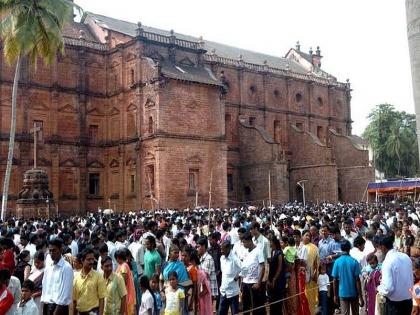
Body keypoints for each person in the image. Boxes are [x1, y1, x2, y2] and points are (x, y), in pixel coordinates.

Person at [377, 235, 413, 315]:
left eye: (379, 248)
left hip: (395, 305)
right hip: (408, 302)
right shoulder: (405, 256)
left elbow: (388, 289)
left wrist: (379, 288)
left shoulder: (387, 262)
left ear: (383, 247)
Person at [41, 237, 74, 314]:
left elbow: (65, 295)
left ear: (60, 250)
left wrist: (55, 312)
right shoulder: (48, 267)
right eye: (50, 251)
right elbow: (45, 289)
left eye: (54, 250)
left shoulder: (66, 268)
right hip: (47, 306)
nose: (52, 253)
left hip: (59, 309)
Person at [331, 240, 364, 315]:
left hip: (342, 293)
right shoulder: (354, 261)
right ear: (349, 249)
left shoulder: (337, 262)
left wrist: (335, 295)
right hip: (354, 293)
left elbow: (335, 280)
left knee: (345, 313)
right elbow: (357, 280)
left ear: (341, 249)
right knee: (355, 313)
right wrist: (361, 297)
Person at [72, 248, 107, 315]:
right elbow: (74, 301)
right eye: (88, 259)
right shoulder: (76, 278)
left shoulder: (98, 276)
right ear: (82, 261)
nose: (91, 262)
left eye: (92, 259)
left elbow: (102, 299)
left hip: (93, 312)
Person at [239, 232, 265, 315]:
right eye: (242, 242)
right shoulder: (245, 252)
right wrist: (241, 283)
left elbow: (262, 266)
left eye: (244, 242)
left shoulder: (258, 251)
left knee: (256, 307)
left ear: (250, 241)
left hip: (254, 283)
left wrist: (258, 282)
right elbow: (244, 268)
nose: (243, 244)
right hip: (245, 283)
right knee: (245, 307)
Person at [218, 241, 241, 315]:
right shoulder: (222, 258)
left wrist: (238, 275)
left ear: (228, 249)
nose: (221, 251)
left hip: (233, 293)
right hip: (223, 291)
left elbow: (244, 268)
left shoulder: (235, 259)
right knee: (221, 312)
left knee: (234, 313)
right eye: (221, 249)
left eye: (223, 249)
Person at [267, 236, 286, 315]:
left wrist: (274, 279)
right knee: (272, 300)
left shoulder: (279, 253)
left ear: (273, 242)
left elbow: (280, 267)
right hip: (271, 279)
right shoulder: (271, 252)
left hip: (278, 280)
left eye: (270, 242)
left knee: (278, 301)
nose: (269, 243)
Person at [115, 249, 137, 315]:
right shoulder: (122, 265)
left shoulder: (123, 266)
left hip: (126, 293)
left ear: (118, 258)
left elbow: (123, 282)